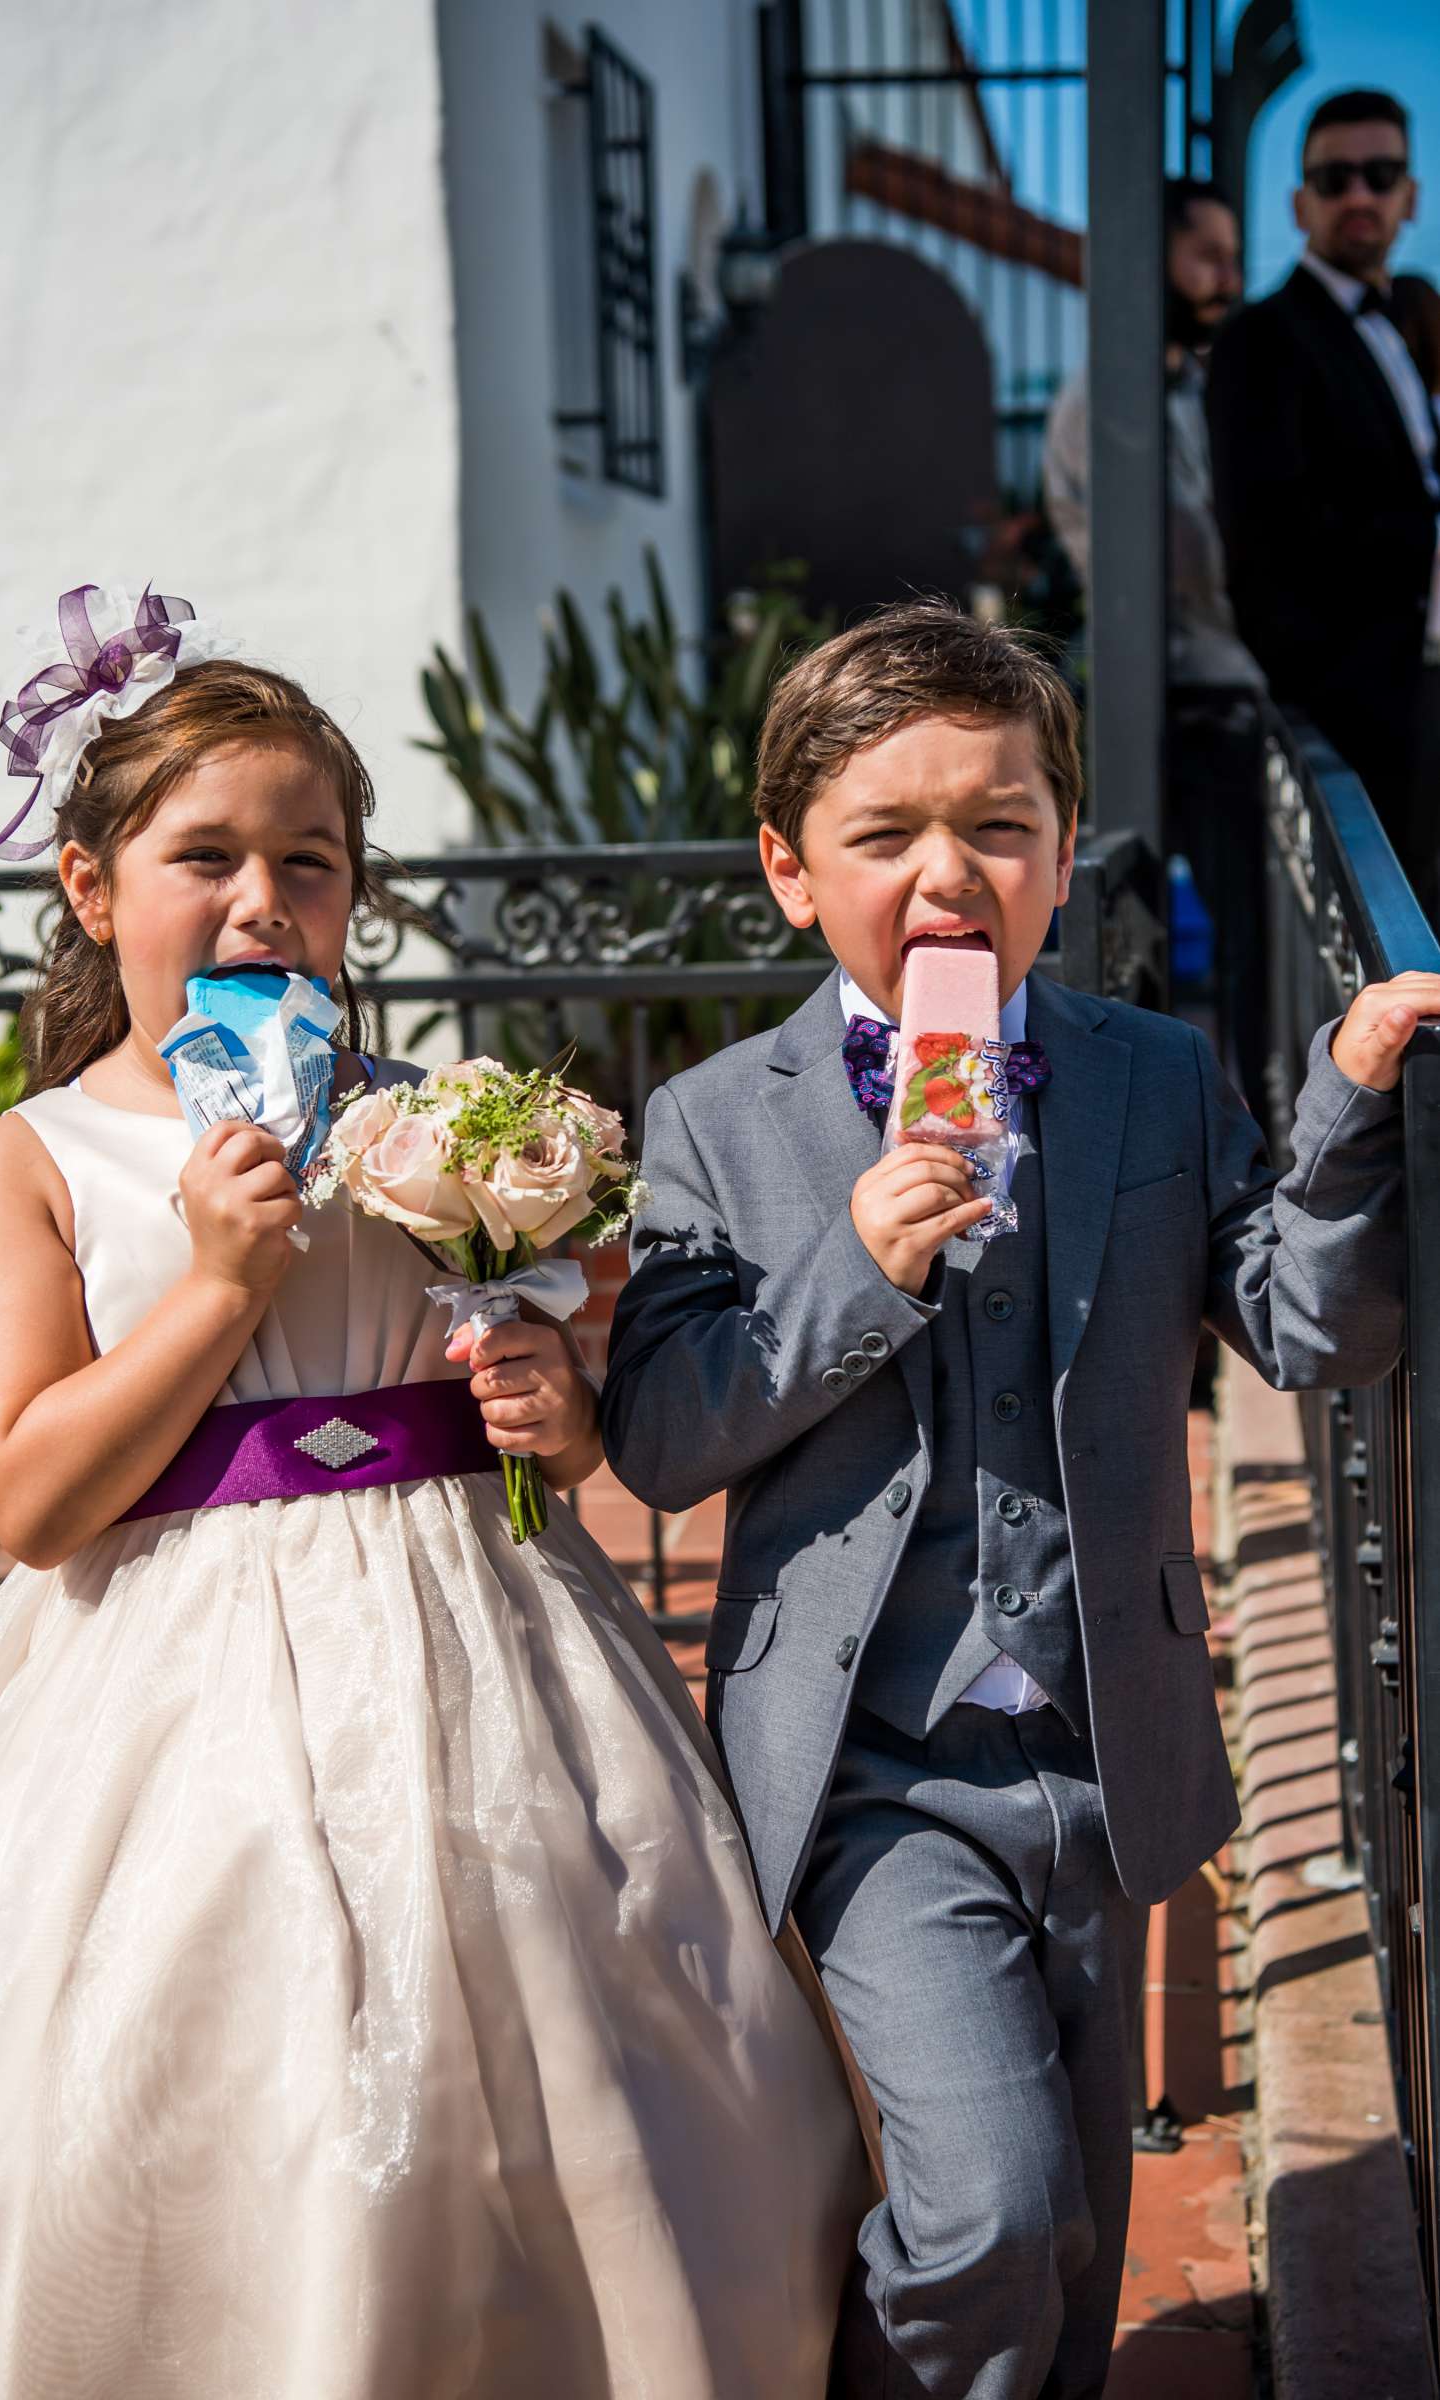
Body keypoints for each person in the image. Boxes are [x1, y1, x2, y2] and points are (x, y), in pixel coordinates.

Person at [0, 586, 867, 2398]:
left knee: (557, 2025)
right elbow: (30, 1498)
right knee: (211, 2067)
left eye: (307, 864)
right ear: (94, 892)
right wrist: (223, 1279)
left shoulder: (440, 1125)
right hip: (162, 1671)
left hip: (469, 1638)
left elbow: (549, 1421)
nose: (259, 904)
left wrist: (549, 1399)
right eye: (203, 859)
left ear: (352, 897)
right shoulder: (34, 1164)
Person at [600, 601, 1437, 2399]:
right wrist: (852, 1268)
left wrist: (1348, 1106)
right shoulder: (713, 1124)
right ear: (784, 870)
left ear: (1062, 856)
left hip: (1099, 1739)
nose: (943, 876)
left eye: (995, 827)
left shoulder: (1147, 1072)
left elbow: (1307, 1326)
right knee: (980, 2211)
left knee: (1068, 2229)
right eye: (882, 835)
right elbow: (665, 1437)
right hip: (876, 1775)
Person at [1045, 179, 1271, 1127]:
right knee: (1146, 926)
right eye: (1207, 254)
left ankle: (1243, 1113)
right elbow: (1188, 550)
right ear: (1156, 263)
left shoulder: (1187, 385)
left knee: (1242, 935)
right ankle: (1152, 1125)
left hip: (1217, 681)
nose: (1229, 274)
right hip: (1167, 689)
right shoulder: (1111, 395)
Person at [1207, 89, 1440, 905]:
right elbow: (1266, 535)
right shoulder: (1260, 337)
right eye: (1333, 178)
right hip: (1356, 715)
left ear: (1410, 195)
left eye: (1380, 175)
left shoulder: (1400, 327)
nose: (1358, 196)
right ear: (1298, 203)